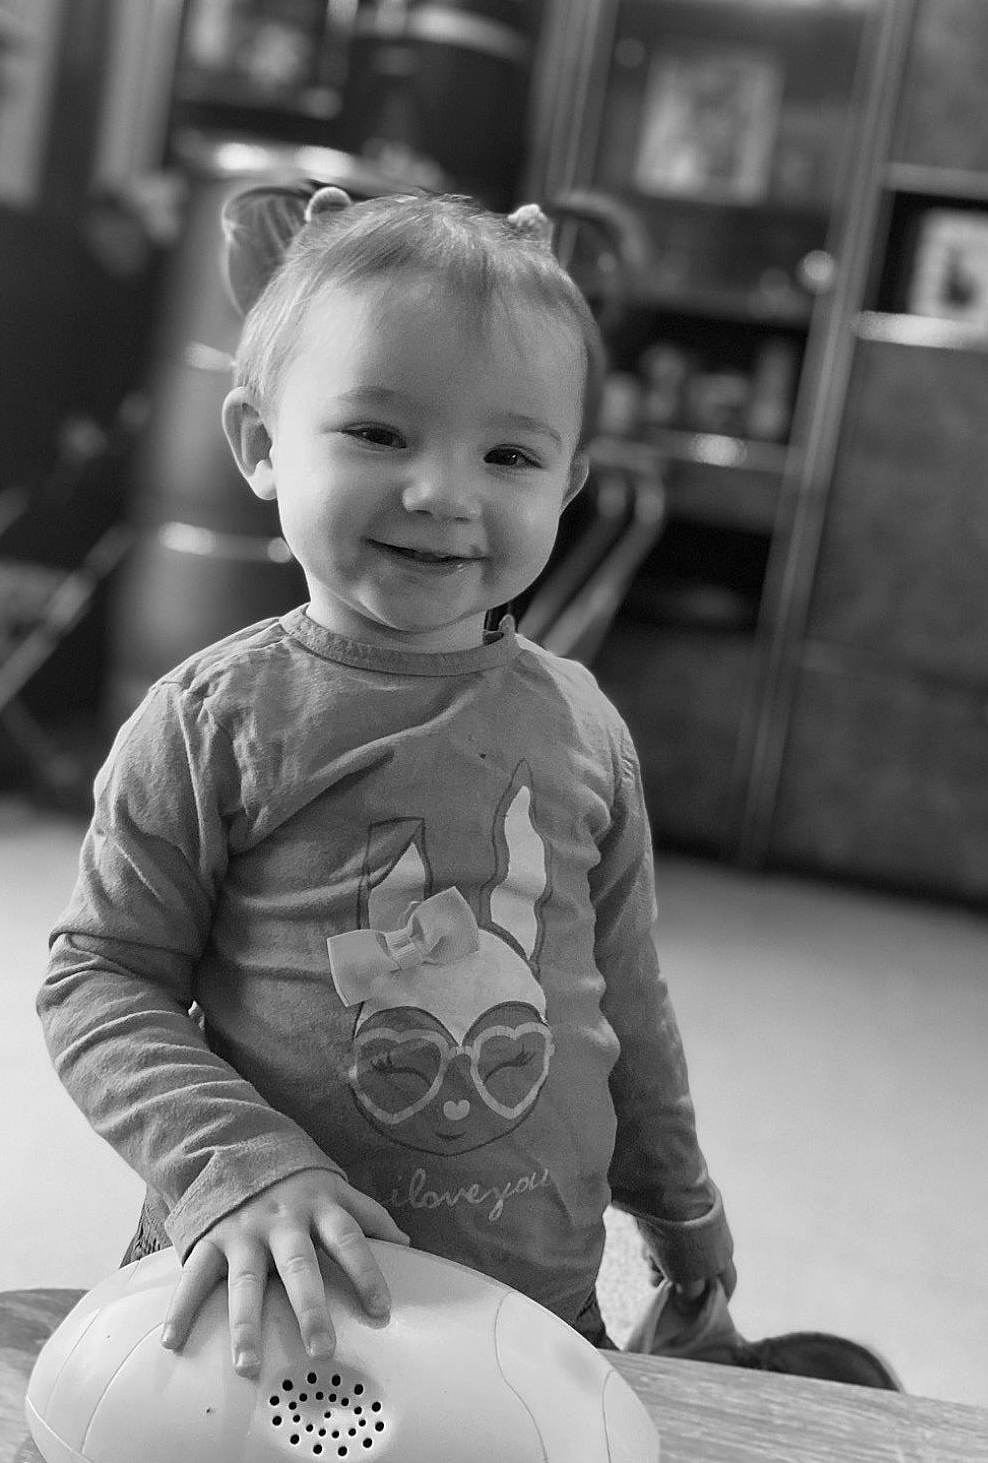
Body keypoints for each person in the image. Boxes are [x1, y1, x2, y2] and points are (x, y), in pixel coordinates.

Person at [37, 183, 745, 1379]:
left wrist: (679, 1205)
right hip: (266, 1300)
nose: (445, 492)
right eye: (378, 433)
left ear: (567, 483)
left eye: (509, 453)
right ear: (260, 445)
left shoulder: (583, 724)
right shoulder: (214, 719)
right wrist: (240, 1162)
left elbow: (625, 998)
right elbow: (96, 977)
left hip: (536, 1319)